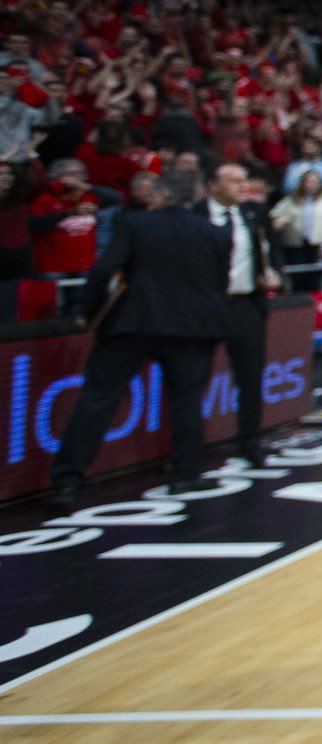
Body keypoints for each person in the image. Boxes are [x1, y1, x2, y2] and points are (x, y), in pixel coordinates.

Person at [48, 169, 231, 507]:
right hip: (193, 326)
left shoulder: (136, 224)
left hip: (134, 321)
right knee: (187, 402)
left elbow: (104, 269)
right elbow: (218, 285)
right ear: (196, 196)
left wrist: (86, 313)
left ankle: (68, 481)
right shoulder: (215, 233)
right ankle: (186, 475)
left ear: (160, 195)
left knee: (99, 398)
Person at [202, 161, 281, 462]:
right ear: (213, 186)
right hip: (207, 305)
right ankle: (191, 448)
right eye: (234, 181)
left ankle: (251, 441)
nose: (242, 186)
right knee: (196, 379)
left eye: (244, 180)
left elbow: (272, 248)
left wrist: (274, 273)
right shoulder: (195, 214)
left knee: (250, 377)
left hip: (247, 302)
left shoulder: (254, 212)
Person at [269, 170, 322, 286]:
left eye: (315, 182)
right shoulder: (292, 199)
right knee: (298, 277)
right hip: (296, 244)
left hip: (319, 244)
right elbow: (275, 214)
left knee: (316, 277)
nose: (312, 185)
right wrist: (283, 219)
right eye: (309, 181)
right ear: (303, 183)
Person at [30, 158, 102, 278]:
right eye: (69, 174)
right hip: (53, 267)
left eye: (78, 173)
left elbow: (116, 198)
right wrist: (68, 213)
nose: (75, 178)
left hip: (85, 265)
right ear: (56, 177)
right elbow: (34, 225)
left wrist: (88, 187)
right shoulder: (45, 199)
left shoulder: (91, 197)